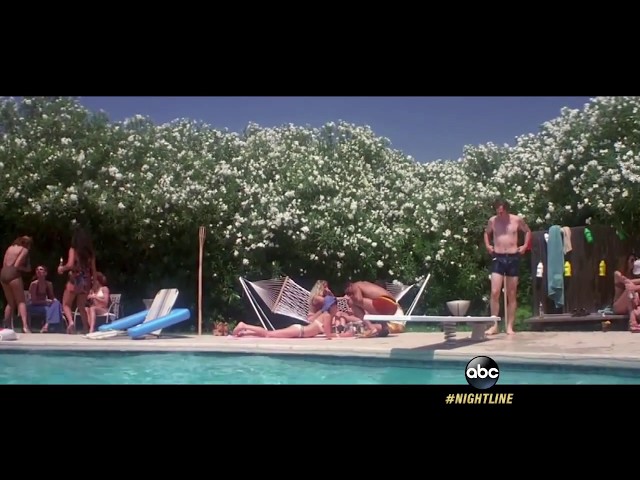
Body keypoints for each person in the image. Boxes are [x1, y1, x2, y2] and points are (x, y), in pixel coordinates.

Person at [484, 198, 531, 335]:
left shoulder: (516, 220)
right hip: (498, 257)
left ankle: (510, 326)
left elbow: (527, 231)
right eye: (498, 211)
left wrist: (524, 246)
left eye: (502, 211)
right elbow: (486, 233)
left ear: (506, 210)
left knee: (511, 293)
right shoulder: (493, 221)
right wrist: (488, 245)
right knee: (494, 292)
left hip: (512, 257)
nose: (500, 214)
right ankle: (494, 325)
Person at [233, 296, 345, 339]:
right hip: (299, 331)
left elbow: (319, 327)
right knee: (268, 334)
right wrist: (342, 336)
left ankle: (246, 333)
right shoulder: (327, 315)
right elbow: (328, 335)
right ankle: (244, 326)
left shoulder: (324, 314)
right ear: (332, 306)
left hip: (299, 331)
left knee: (270, 334)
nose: (337, 308)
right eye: (336, 306)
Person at [58, 226, 97, 334]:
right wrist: (94, 284)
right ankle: (86, 328)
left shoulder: (73, 249)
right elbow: (94, 270)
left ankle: (71, 322)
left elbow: (70, 264)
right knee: (81, 306)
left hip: (74, 280)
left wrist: (62, 268)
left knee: (66, 304)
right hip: (85, 281)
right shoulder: (90, 253)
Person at [1, 236, 33, 332]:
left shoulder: (10, 248)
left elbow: (4, 263)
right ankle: (25, 326)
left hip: (3, 273)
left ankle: (6, 325)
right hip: (13, 274)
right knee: (21, 301)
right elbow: (16, 265)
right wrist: (26, 269)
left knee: (10, 302)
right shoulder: (24, 250)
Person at [28, 265, 63, 333]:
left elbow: (52, 297)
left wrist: (53, 300)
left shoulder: (49, 284)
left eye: (41, 269)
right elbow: (33, 301)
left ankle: (46, 326)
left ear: (45, 273)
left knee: (57, 303)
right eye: (37, 269)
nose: (38, 271)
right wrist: (45, 301)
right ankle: (52, 327)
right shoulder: (34, 284)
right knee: (53, 308)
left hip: (44, 305)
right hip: (34, 306)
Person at [613, 254, 640, 332]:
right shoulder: (617, 273)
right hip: (618, 306)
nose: (633, 263)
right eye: (632, 260)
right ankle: (632, 323)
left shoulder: (634, 275)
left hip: (631, 305)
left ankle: (634, 318)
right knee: (629, 289)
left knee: (634, 292)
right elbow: (627, 282)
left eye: (635, 260)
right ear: (626, 261)